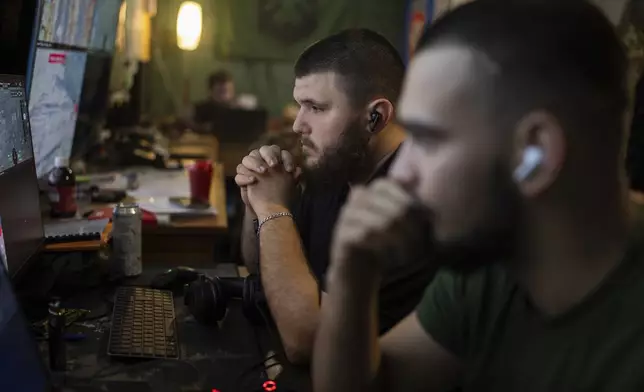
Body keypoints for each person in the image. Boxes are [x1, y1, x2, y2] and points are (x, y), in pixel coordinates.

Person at [313, 1, 641, 391]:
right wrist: (353, 282)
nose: (400, 173)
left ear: (534, 154)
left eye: (428, 139)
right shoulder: (492, 267)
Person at [235, 29, 436, 364]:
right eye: (301, 106)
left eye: (315, 107)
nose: (299, 125)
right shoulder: (335, 170)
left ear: (376, 117)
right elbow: (261, 268)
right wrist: (255, 202)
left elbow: (309, 342)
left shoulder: (412, 211)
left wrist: (272, 209)